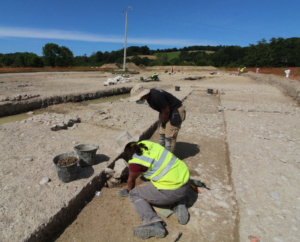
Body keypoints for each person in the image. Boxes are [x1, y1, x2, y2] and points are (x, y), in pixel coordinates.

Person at [115, 131, 190, 240]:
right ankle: (178, 202)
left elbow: (131, 180)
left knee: (134, 194)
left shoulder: (135, 161)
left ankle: (153, 222)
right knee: (152, 184)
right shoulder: (148, 143)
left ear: (126, 149)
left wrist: (129, 190)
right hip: (185, 179)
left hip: (173, 190)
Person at [129, 84, 186, 153]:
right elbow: (164, 110)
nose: (137, 100)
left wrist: (164, 122)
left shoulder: (156, 97)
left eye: (138, 98)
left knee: (169, 138)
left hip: (175, 111)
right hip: (165, 112)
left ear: (142, 95)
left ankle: (168, 159)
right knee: (162, 133)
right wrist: (163, 123)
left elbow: (166, 111)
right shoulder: (149, 97)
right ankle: (161, 152)